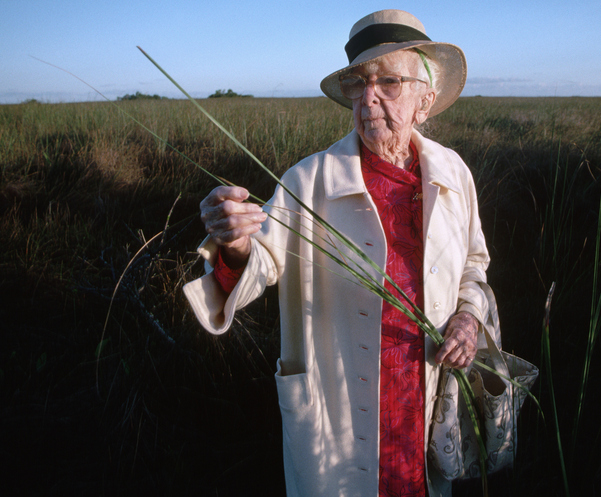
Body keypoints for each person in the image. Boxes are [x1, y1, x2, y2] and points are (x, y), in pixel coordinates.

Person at [184, 9, 496, 497]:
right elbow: (257, 266)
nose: (369, 97)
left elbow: (474, 266)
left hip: (421, 407)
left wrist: (467, 318)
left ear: (425, 101)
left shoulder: (454, 174)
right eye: (359, 82)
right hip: (335, 418)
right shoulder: (309, 181)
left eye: (388, 82)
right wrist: (236, 242)